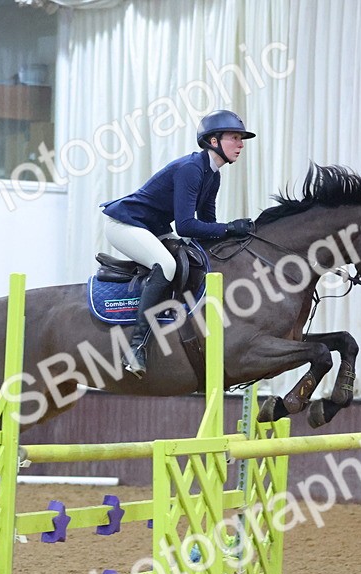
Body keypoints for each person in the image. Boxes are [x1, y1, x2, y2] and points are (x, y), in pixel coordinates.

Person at [100, 109, 256, 376]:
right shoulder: (191, 169)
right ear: (214, 141)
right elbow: (185, 226)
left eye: (241, 139)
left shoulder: (212, 175)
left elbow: (206, 227)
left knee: (194, 258)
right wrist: (230, 228)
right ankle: (136, 347)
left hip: (153, 227)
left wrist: (234, 234)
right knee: (167, 266)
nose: (241, 144)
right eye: (234, 137)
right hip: (125, 223)